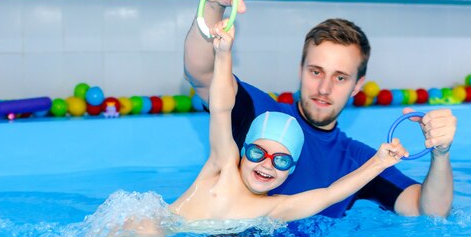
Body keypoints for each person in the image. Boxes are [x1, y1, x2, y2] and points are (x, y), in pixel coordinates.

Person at [183, 0, 457, 218]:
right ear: (301, 68)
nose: (324, 88)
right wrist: (215, 5)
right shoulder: (261, 116)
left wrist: (441, 153)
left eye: (340, 78)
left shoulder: (357, 161)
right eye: (316, 72)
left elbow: (430, 211)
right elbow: (202, 74)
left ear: (357, 86)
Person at [167, 19, 407, 225]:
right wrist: (223, 54)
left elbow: (330, 194)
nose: (266, 164)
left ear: (291, 169)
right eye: (257, 152)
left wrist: (378, 163)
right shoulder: (223, 167)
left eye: (281, 160)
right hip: (155, 230)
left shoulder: (275, 209)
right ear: (241, 150)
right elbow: (221, 108)